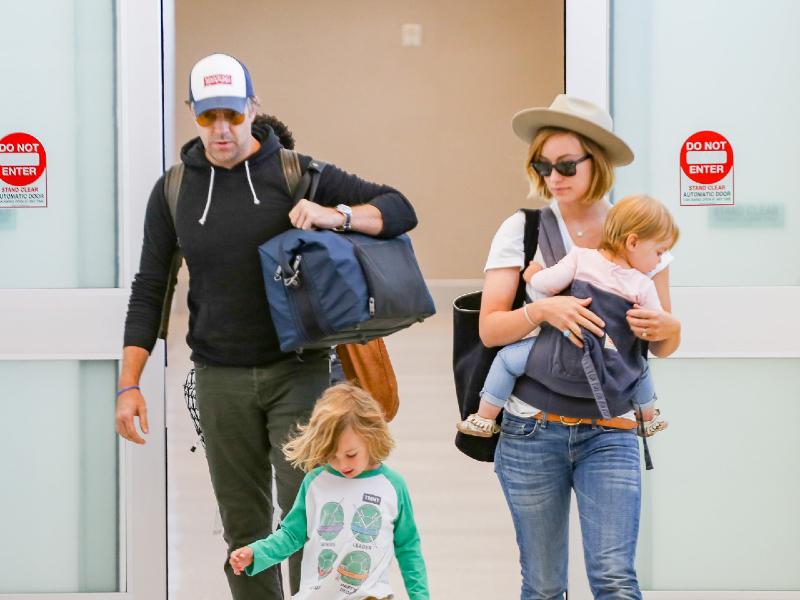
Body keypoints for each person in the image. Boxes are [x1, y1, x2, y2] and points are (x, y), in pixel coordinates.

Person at [114, 53, 417, 600]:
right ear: (193, 115)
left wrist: (335, 214)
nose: (222, 129)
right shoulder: (174, 190)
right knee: (244, 530)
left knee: (311, 522)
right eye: (208, 117)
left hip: (298, 374)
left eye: (232, 113)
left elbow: (398, 209)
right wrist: (128, 383)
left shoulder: (296, 174)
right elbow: (150, 288)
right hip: (218, 379)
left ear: (253, 107)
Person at [481, 95, 681, 599]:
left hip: (610, 430)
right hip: (531, 431)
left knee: (614, 580)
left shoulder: (641, 231)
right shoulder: (522, 229)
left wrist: (666, 326)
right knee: (544, 585)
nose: (555, 176)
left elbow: (663, 344)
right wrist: (543, 310)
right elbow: (490, 330)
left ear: (599, 162)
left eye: (567, 164)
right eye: (543, 165)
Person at [457, 194, 678, 439]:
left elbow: (546, 284)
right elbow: (652, 324)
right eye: (659, 252)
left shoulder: (580, 257)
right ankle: (648, 419)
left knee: (507, 361)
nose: (659, 260)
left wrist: (532, 275)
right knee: (639, 368)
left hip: (560, 348)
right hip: (609, 354)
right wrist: (662, 327)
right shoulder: (642, 285)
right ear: (633, 242)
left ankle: (484, 418)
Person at [228, 383, 429, 600]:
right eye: (332, 456)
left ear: (371, 437)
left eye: (351, 454)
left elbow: (408, 547)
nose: (342, 464)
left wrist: (420, 597)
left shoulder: (392, 485)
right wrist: (256, 553)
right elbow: (291, 534)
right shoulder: (315, 483)